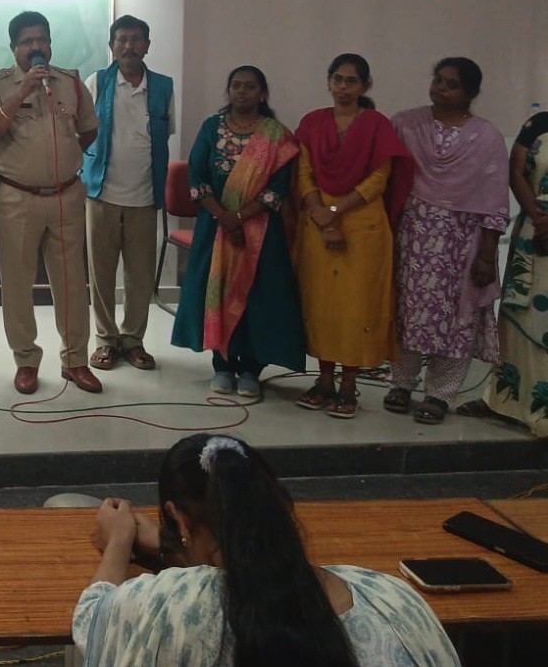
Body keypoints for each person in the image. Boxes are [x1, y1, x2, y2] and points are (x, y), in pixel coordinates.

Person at [74, 434, 459, 667]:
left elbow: (93, 619)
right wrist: (173, 546)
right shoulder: (391, 599)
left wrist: (120, 539)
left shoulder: (173, 603)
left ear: (180, 519)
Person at [0, 11, 101, 394]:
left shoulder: (71, 82)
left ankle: (75, 361)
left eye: (42, 40)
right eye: (27, 41)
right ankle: (26, 361)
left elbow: (88, 130)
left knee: (71, 283)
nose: (36, 47)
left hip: (66, 196)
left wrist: (63, 162)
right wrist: (23, 92)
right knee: (17, 284)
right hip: (16, 197)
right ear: (14, 47)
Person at [171, 66, 305, 401]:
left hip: (262, 234)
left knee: (258, 298)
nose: (241, 92)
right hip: (215, 229)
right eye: (236, 86)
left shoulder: (277, 135)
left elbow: (278, 188)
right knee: (216, 293)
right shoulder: (211, 128)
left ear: (263, 93)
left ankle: (251, 369)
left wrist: (241, 217)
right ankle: (222, 365)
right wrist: (224, 218)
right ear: (228, 90)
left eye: (249, 86)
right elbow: (197, 177)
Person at [385, 59, 508, 425]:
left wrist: (487, 255)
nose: (440, 88)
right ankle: (401, 383)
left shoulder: (487, 137)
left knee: (457, 317)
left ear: (470, 92)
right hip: (412, 238)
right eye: (438, 80)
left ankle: (440, 394)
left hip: (462, 243)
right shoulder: (406, 124)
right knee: (406, 310)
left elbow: (495, 199)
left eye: (451, 84)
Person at [293, 54, 412, 420]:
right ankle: (324, 380)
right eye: (338, 80)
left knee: (357, 306)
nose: (343, 87)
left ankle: (349, 385)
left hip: (363, 226)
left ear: (365, 86)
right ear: (329, 82)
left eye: (352, 81)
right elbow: (303, 172)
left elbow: (379, 179)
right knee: (322, 305)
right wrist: (321, 213)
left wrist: (335, 211)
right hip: (317, 223)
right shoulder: (312, 122)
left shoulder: (377, 125)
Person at [81, 14, 174, 373]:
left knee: (140, 275)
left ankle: (133, 340)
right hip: (102, 193)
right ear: (112, 45)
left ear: (147, 46)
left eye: (136, 39)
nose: (129, 46)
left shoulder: (163, 87)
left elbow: (164, 135)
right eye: (122, 39)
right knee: (101, 273)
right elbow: (82, 132)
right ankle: (106, 340)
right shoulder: (97, 82)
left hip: (144, 196)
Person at [462, 107, 548, 434]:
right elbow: (515, 172)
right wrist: (538, 217)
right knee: (519, 315)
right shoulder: (538, 123)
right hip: (533, 233)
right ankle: (505, 400)